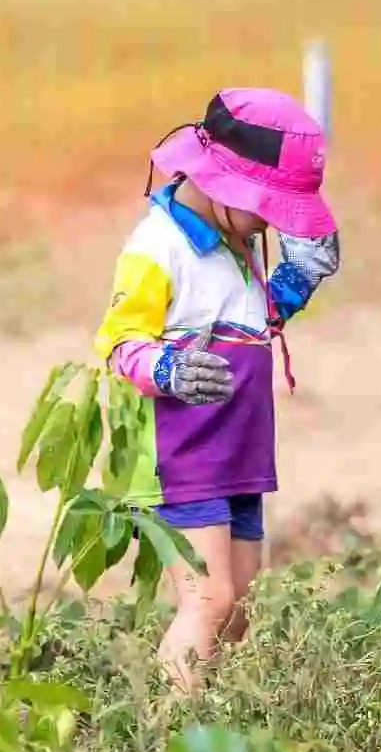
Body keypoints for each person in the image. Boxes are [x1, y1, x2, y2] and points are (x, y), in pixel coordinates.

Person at [93, 89, 340, 690]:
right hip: (184, 454)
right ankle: (169, 746)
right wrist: (168, 369)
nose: (271, 223)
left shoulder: (238, 243)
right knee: (208, 602)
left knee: (236, 612)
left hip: (240, 453)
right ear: (219, 183)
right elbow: (118, 342)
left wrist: (297, 278)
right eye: (267, 208)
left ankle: (214, 723)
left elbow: (254, 321)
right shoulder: (157, 249)